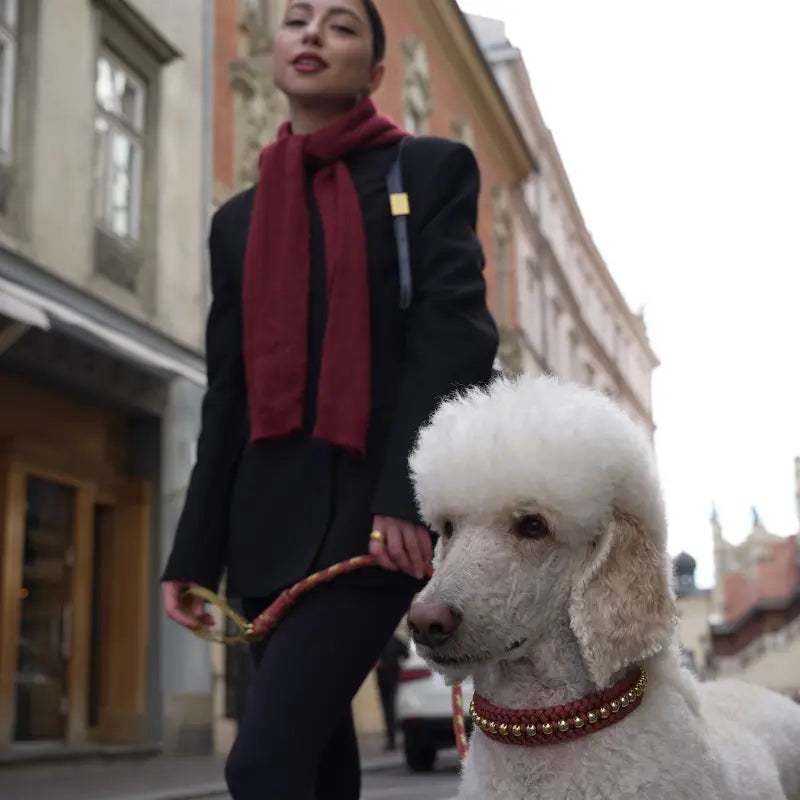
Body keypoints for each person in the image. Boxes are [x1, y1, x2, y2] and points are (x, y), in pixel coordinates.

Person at [159, 0, 498, 798]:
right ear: (276, 48)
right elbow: (229, 394)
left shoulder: (428, 171)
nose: (312, 33)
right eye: (297, 19)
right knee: (315, 767)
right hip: (267, 530)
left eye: (340, 25)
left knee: (262, 764)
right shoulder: (237, 222)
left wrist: (407, 497)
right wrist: (195, 555)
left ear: (374, 73)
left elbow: (455, 339)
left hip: (373, 529)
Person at [376, 631, 409, 751]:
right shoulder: (395, 640)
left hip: (384, 680)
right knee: (396, 707)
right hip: (396, 678)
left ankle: (392, 739)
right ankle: (396, 737)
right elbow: (406, 654)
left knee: (388, 710)